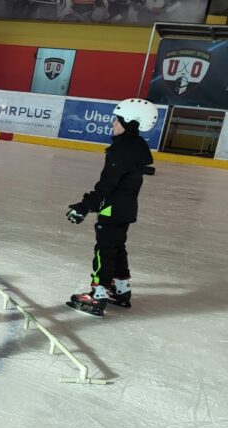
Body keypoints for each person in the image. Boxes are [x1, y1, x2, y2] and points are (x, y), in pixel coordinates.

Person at [65, 98, 157, 318]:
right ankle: (121, 290)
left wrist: (84, 207)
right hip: (126, 208)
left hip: (112, 209)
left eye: (117, 120)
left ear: (131, 122)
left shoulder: (121, 150)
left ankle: (98, 295)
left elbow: (107, 185)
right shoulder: (136, 146)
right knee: (117, 247)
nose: (113, 124)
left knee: (104, 250)